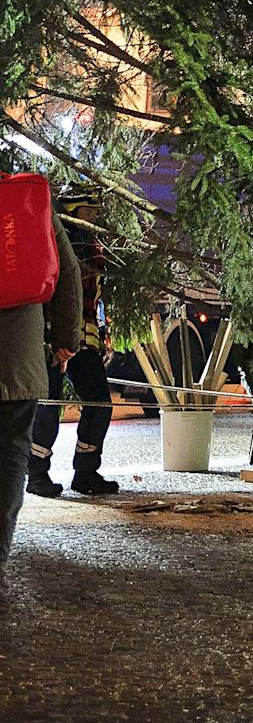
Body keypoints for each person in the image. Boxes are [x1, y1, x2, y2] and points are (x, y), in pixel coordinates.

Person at [2, 195, 81, 568]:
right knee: (11, 456)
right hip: (18, 362)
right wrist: (67, 339)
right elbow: (68, 271)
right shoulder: (28, 202)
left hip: (19, 363)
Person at [28, 188, 118, 498]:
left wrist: (101, 337)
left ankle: (86, 472)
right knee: (48, 407)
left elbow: (94, 298)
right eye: (87, 212)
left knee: (99, 402)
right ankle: (36, 474)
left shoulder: (90, 244)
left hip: (85, 340)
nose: (93, 218)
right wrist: (56, 340)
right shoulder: (54, 242)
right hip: (54, 340)